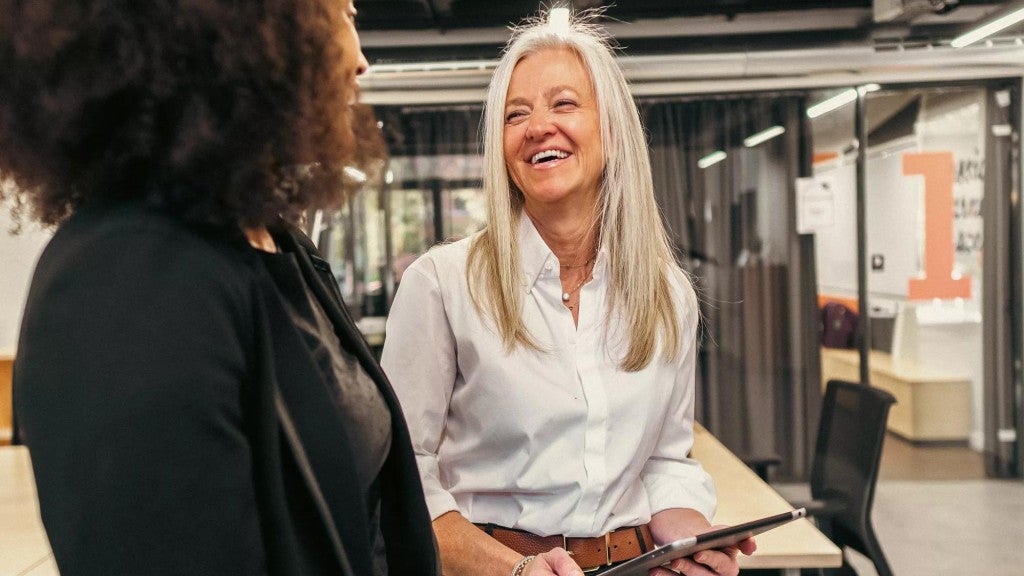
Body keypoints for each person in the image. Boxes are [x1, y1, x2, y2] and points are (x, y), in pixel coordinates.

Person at [0, 1, 438, 575]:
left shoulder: (276, 240)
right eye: (343, 14)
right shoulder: (127, 280)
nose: (360, 60)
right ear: (252, 33)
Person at [380, 11, 756, 576]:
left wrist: (690, 533)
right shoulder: (441, 285)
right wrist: (511, 570)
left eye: (563, 104)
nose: (537, 127)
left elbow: (663, 459)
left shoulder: (665, 294)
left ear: (611, 129)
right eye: (516, 114)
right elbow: (399, 476)